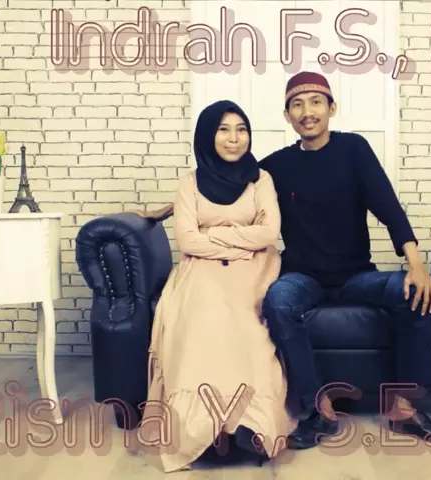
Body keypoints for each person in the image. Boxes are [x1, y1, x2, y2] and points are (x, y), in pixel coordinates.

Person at [258, 72, 431, 450]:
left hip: (355, 275)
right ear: (287, 116)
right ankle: (318, 409)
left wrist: (417, 266)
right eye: (297, 105)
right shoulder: (275, 166)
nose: (307, 111)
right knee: (277, 301)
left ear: (332, 108)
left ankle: (404, 409)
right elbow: (225, 185)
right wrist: (174, 208)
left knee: (411, 292)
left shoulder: (353, 149)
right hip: (303, 276)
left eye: (316, 102)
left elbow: (388, 207)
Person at [139, 100, 297, 472]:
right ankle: (203, 429)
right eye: (223, 129)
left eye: (241, 129)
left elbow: (269, 233)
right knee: (203, 318)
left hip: (255, 268)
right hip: (202, 268)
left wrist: (214, 236)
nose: (234, 138)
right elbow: (187, 241)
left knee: (247, 324)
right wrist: (239, 241)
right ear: (207, 136)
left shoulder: (261, 179)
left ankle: (248, 424)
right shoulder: (190, 183)